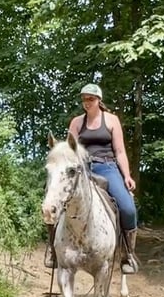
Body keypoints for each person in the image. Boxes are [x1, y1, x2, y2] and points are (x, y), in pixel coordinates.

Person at [45, 83, 138, 274]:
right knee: (56, 198)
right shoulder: (77, 123)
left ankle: (127, 254)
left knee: (128, 208)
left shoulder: (112, 120)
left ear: (98, 100)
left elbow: (120, 151)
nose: (87, 102)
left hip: (108, 166)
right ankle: (53, 250)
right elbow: (69, 151)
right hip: (82, 169)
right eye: (84, 99)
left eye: (91, 99)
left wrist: (126, 176)